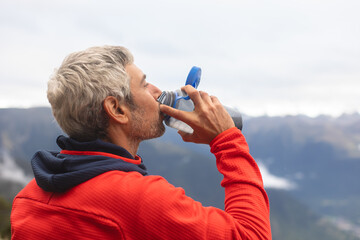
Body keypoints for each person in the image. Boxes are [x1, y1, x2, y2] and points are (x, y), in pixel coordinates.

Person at [11, 46, 271, 239]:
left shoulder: (28, 198)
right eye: (144, 84)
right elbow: (252, 235)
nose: (158, 91)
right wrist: (227, 140)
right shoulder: (140, 199)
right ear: (117, 110)